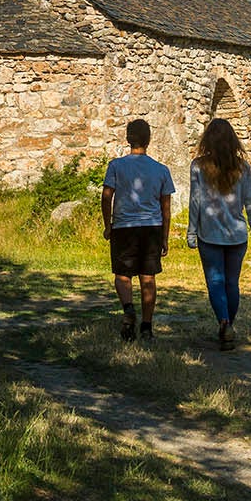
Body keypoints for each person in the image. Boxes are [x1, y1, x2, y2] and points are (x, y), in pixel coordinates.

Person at [185, 117, 251, 350]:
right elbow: (250, 203)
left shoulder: (198, 166)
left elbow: (195, 201)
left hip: (209, 233)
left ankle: (224, 322)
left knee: (215, 282)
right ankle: (229, 324)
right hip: (237, 235)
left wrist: (191, 231)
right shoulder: (243, 167)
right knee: (232, 283)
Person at [102, 118, 175, 342]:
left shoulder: (116, 166)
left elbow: (107, 196)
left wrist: (108, 225)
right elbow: (166, 208)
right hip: (151, 227)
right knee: (148, 277)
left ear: (127, 139)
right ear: (149, 140)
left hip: (124, 226)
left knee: (122, 274)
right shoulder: (161, 169)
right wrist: (164, 237)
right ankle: (146, 326)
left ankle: (128, 309)